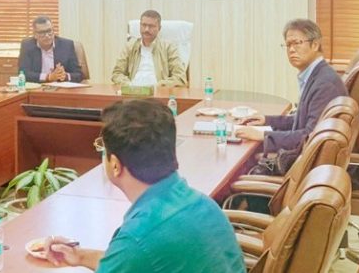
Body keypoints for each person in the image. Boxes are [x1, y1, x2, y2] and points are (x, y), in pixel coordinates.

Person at [43, 99, 244, 273]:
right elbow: (137, 261)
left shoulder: (138, 238)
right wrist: (80, 256)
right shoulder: (201, 204)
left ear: (115, 165)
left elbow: (135, 255)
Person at [236, 19, 347, 152]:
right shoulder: (316, 75)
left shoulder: (325, 84)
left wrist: (263, 135)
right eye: (288, 45)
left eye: (297, 43)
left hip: (306, 161)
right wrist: (267, 120)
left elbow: (309, 136)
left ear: (315, 45)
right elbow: (302, 121)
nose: (291, 50)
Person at [111, 10, 186, 87]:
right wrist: (129, 85)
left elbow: (180, 78)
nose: (146, 29)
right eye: (144, 25)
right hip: (132, 91)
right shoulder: (129, 47)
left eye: (151, 26)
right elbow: (117, 73)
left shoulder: (169, 48)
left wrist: (157, 86)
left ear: (159, 28)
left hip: (157, 91)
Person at [18, 15, 83, 83]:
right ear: (35, 35)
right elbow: (23, 73)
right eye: (42, 32)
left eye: (49, 31)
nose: (47, 35)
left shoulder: (66, 45)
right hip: (37, 87)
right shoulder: (27, 45)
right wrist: (48, 77)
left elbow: (79, 74)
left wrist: (65, 76)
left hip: (59, 87)